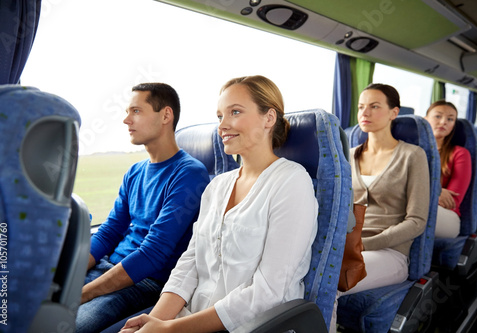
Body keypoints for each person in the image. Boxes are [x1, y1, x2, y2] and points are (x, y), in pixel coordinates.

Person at [119, 75, 319, 333]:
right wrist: (155, 321)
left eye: (234, 112)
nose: (222, 125)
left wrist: (170, 330)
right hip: (189, 318)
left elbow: (269, 291)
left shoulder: (291, 182)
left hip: (250, 326)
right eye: (219, 117)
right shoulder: (217, 186)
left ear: (269, 118)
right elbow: (189, 264)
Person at [76, 83, 210, 333]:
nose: (126, 120)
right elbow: (108, 233)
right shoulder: (134, 172)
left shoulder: (189, 174)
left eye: (136, 111)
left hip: (145, 281)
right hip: (109, 267)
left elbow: (154, 253)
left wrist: (82, 293)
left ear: (165, 116)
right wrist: (69, 275)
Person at [333, 84, 430, 331]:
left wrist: (366, 244)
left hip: (390, 253)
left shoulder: (413, 155)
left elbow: (417, 221)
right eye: (361, 107)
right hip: (348, 248)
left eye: (375, 106)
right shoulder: (349, 155)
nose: (365, 113)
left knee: (329, 283)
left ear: (393, 112)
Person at [425, 100, 472, 238]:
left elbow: (452, 201)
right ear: (425, 120)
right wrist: (436, 191)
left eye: (450, 119)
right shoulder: (411, 151)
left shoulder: (460, 153)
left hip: (447, 216)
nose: (444, 122)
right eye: (438, 116)